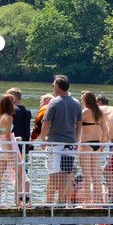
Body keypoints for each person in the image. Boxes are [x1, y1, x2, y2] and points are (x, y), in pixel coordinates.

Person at [39, 75, 82, 205]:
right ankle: (61, 201)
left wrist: (42, 140)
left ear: (58, 86)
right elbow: (79, 123)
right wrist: (76, 139)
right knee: (65, 173)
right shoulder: (76, 102)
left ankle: (49, 202)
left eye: (53, 85)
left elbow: (46, 123)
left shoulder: (54, 102)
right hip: (70, 143)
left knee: (52, 173)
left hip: (55, 142)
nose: (53, 88)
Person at [0, 94, 24, 206]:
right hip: (6, 148)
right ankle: (18, 201)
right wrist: (11, 152)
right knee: (20, 172)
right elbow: (8, 136)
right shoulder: (9, 118)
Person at [78, 91, 109, 205]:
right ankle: (96, 200)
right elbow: (105, 130)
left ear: (86, 100)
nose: (81, 101)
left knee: (86, 174)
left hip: (85, 144)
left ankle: (87, 201)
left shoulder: (85, 111)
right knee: (96, 175)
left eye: (82, 99)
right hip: (97, 144)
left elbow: (76, 124)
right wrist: (102, 144)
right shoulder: (100, 112)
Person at [7, 88, 32, 158]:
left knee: (14, 166)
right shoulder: (28, 111)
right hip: (25, 144)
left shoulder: (11, 110)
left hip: (14, 143)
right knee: (24, 166)